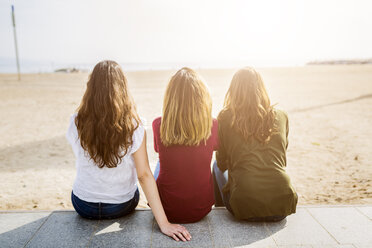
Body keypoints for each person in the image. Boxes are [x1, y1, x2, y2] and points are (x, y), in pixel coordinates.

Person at [66, 60, 191, 241]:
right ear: (122, 87)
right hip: (120, 205)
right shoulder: (134, 124)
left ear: (91, 87)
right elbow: (144, 175)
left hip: (83, 204)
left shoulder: (76, 121)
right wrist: (164, 223)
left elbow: (81, 158)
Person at [214, 67, 297, 221]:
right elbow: (282, 154)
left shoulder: (226, 117)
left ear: (234, 90)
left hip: (244, 205)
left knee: (215, 167)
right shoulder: (281, 115)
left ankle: (219, 210)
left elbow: (222, 163)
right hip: (283, 203)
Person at [152, 67, 218, 223]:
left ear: (170, 98)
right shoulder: (213, 124)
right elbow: (216, 147)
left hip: (166, 209)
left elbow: (157, 149)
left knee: (160, 162)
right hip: (201, 209)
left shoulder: (158, 124)